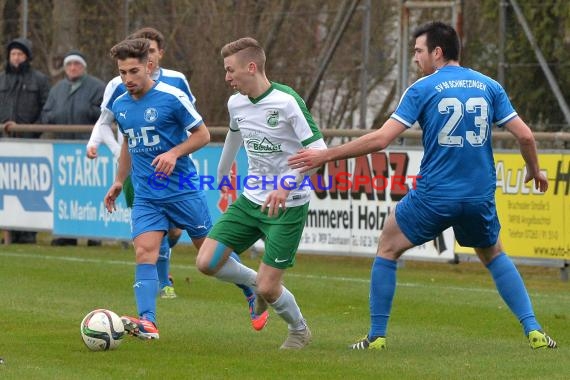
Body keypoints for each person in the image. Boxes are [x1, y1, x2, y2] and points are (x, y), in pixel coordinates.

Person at [288, 21, 557, 350]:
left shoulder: (423, 88)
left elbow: (382, 139)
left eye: (418, 50)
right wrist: (535, 171)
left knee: (388, 246)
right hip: (478, 195)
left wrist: (326, 155)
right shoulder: (489, 86)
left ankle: (376, 337)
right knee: (493, 254)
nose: (416, 57)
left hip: (435, 195)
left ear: (437, 52)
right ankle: (534, 332)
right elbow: (526, 135)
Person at [104, 38, 267, 340]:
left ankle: (251, 288)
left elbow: (203, 135)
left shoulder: (171, 96)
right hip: (146, 195)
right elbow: (128, 142)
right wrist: (118, 180)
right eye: (122, 72)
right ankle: (147, 321)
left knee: (212, 256)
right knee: (144, 251)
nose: (127, 79)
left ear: (149, 66)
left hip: (183, 191)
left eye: (134, 71)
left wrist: (174, 152)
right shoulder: (120, 104)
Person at [196, 37, 327, 349]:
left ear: (251, 67)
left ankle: (298, 330)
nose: (227, 78)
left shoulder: (286, 101)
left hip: (288, 206)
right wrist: (221, 172)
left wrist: (286, 185)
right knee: (206, 263)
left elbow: (320, 150)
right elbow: (233, 135)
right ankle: (254, 282)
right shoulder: (236, 103)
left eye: (230, 71)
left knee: (271, 289)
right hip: (251, 199)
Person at [87, 27, 194, 299]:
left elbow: (192, 122)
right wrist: (103, 151)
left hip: (177, 170)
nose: (152, 58)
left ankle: (163, 264)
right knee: (149, 234)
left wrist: (176, 152)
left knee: (175, 229)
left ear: (157, 55)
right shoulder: (118, 86)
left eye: (155, 52)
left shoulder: (176, 82)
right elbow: (109, 123)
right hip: (141, 170)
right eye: (124, 72)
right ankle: (162, 280)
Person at [40, 49, 105, 247]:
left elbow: (106, 114)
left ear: (84, 67)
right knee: (68, 194)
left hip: (90, 149)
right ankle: (68, 233)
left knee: (92, 193)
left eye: (77, 64)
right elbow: (47, 113)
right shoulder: (58, 88)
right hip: (63, 148)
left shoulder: (97, 86)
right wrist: (54, 117)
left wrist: (86, 111)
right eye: (69, 64)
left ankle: (94, 234)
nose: (73, 67)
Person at [0, 37, 51, 244]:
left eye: (20, 54)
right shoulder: (2, 79)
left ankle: (28, 232)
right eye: (13, 54)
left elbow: (47, 109)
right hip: (5, 144)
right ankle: (8, 230)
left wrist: (33, 132)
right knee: (7, 189)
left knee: (30, 189)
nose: (16, 58)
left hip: (30, 144)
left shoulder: (39, 80)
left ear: (27, 57)